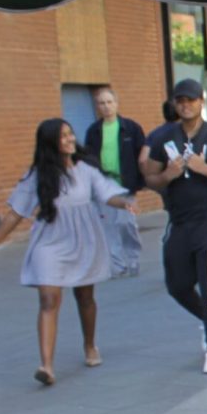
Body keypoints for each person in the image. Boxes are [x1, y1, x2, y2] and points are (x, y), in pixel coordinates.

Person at [0, 119, 137, 385]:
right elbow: (15, 213)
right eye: (63, 136)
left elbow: (107, 194)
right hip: (50, 242)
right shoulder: (37, 175)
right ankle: (47, 366)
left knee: (85, 297)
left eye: (70, 134)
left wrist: (124, 202)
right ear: (50, 143)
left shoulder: (86, 169)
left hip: (84, 240)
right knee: (48, 299)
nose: (70, 139)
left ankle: (90, 345)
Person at [142, 77, 207, 373]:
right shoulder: (164, 138)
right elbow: (151, 178)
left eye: (191, 100)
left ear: (201, 102)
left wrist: (204, 168)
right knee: (177, 285)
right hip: (179, 220)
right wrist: (167, 176)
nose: (186, 105)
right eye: (181, 101)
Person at [82, 85, 148, 278]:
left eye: (109, 102)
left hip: (125, 185)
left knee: (127, 225)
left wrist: (140, 181)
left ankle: (133, 258)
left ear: (116, 104)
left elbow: (142, 155)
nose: (106, 106)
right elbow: (88, 158)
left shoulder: (131, 128)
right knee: (108, 227)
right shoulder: (93, 131)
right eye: (102, 103)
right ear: (97, 107)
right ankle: (117, 266)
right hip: (104, 186)